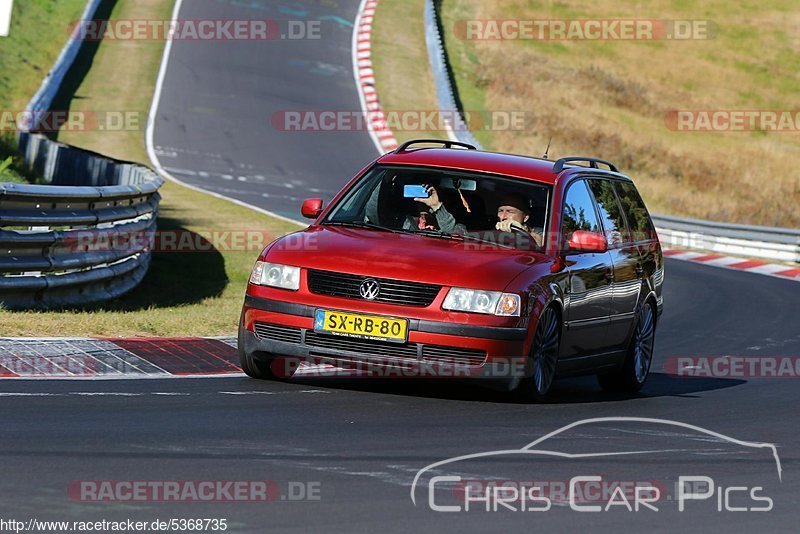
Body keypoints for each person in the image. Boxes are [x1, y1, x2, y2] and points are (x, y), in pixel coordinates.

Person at [365, 181, 465, 234]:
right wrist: (386, 180)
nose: (424, 197)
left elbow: (456, 236)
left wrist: (437, 206)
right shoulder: (401, 224)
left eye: (428, 194)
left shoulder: (453, 227)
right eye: (418, 193)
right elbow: (374, 215)